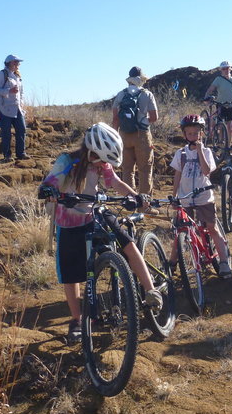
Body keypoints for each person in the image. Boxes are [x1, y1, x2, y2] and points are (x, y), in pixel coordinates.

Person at [38, 122, 163, 344]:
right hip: (68, 222)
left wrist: (136, 196)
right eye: (103, 160)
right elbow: (49, 183)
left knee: (127, 243)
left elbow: (114, 181)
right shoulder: (68, 161)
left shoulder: (100, 164)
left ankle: (150, 290)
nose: (105, 165)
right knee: (72, 274)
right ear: (93, 152)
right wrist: (50, 192)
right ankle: (78, 320)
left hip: (93, 213)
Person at [168, 115, 232, 278]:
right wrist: (174, 196)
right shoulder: (180, 153)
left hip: (204, 196)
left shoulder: (207, 152)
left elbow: (206, 171)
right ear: (184, 135)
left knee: (212, 228)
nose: (193, 137)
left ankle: (224, 261)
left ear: (201, 134)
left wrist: (200, 151)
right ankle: (172, 263)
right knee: (181, 230)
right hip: (185, 197)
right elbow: (177, 175)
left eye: (196, 133)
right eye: (189, 134)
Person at [112, 67, 158, 199]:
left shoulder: (121, 94)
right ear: (141, 79)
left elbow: (115, 118)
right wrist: (143, 122)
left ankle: (130, 201)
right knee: (145, 170)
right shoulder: (147, 94)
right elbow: (154, 118)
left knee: (127, 170)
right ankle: (145, 204)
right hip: (142, 135)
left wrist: (116, 135)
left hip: (124, 135)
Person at [0, 55, 29, 162]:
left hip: (17, 108)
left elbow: (21, 92)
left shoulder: (17, 76)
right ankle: (7, 155)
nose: (18, 64)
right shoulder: (1, 74)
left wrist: (21, 103)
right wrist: (9, 91)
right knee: (6, 132)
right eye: (15, 62)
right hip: (5, 108)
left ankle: (21, 153)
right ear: (9, 63)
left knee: (22, 129)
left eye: (18, 63)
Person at [204, 60, 232, 145]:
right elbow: (210, 89)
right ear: (221, 70)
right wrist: (206, 97)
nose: (226, 70)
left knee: (230, 127)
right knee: (220, 124)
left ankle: (227, 146)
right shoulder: (218, 79)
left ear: (230, 69)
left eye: (227, 68)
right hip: (221, 104)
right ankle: (220, 141)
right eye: (224, 69)